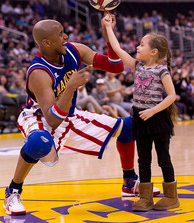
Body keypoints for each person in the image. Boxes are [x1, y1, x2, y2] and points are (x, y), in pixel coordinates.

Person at [3, 17, 139, 216]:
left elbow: (115, 66)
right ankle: (13, 191)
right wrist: (71, 87)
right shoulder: (39, 72)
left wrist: (108, 32)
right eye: (60, 34)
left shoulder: (74, 50)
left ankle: (129, 182)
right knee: (40, 142)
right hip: (39, 116)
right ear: (47, 43)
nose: (66, 36)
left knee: (129, 127)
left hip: (68, 115)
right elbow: (52, 120)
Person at [102, 13, 179, 211]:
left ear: (153, 51)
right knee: (143, 159)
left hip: (157, 117)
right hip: (140, 117)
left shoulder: (162, 70)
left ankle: (171, 196)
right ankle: (145, 197)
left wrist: (153, 110)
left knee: (163, 157)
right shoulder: (137, 66)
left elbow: (171, 96)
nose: (137, 46)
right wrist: (109, 27)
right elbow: (118, 49)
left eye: (142, 44)